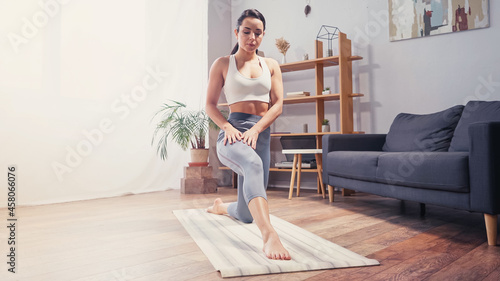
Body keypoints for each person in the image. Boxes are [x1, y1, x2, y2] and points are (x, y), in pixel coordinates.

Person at [205, 9, 291, 261]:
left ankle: (222, 207)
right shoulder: (223, 63)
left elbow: (277, 105)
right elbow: (210, 104)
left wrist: (256, 129)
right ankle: (269, 236)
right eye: (246, 31)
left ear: (263, 36)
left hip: (260, 135)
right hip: (233, 134)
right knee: (252, 163)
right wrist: (228, 127)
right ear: (237, 32)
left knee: (245, 214)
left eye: (258, 33)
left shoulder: (271, 65)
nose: (252, 37)